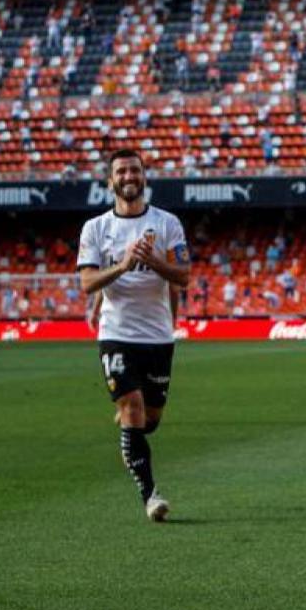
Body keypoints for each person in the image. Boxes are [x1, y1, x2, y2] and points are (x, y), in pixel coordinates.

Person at [76, 149, 190, 522]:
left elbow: (183, 275)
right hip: (117, 332)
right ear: (110, 181)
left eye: (134, 170)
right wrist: (124, 264)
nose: (128, 176)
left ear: (144, 177)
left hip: (157, 335)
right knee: (133, 407)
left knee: (149, 419)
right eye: (121, 171)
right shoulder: (95, 228)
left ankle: (129, 422)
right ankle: (151, 496)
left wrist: (153, 260)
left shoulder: (167, 222)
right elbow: (87, 281)